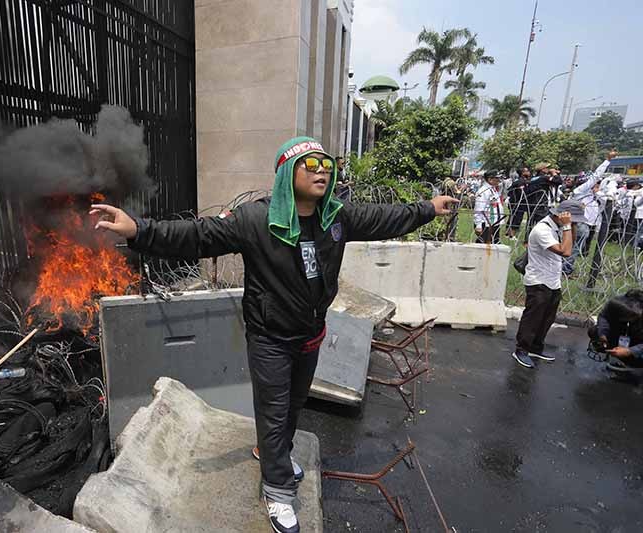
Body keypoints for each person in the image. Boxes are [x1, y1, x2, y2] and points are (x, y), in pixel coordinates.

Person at [89, 136, 456, 533]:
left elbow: (388, 216)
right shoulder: (255, 220)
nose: (322, 172)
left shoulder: (336, 216)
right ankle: (278, 489)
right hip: (270, 338)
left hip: (311, 333)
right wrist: (138, 230)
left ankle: (270, 450)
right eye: (311, 165)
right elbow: (198, 236)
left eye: (327, 166)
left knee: (295, 404)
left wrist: (427, 209)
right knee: (275, 408)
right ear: (287, 173)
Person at [512, 199, 586, 369]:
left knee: (547, 317)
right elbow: (566, 251)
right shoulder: (542, 230)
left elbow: (571, 243)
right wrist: (567, 225)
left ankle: (536, 347)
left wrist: (570, 225)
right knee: (533, 317)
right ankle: (521, 350)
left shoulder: (557, 227)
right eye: (573, 220)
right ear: (561, 215)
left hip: (552, 280)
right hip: (538, 280)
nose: (574, 224)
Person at [561, 154, 614, 277]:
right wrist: (607, 161)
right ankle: (566, 269)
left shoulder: (589, 194)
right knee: (574, 247)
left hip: (583, 223)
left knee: (574, 246)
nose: (596, 184)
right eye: (593, 183)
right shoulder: (581, 190)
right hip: (579, 223)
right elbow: (595, 176)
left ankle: (565, 267)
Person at [588, 290, 643, 373]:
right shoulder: (616, 305)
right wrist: (603, 334)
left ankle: (634, 361)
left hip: (639, 342)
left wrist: (630, 351)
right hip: (627, 336)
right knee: (594, 331)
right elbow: (604, 316)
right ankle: (619, 355)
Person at [524, 162, 563, 241]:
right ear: (542, 169)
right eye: (547, 168)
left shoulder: (534, 178)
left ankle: (527, 240)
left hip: (533, 204)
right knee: (542, 225)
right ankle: (538, 240)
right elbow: (558, 181)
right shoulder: (543, 178)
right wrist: (554, 173)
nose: (549, 169)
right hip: (541, 205)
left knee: (530, 223)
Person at [473, 170, 505, 244]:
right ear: (490, 179)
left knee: (493, 243)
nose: (499, 180)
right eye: (497, 178)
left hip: (494, 222)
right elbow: (479, 208)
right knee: (484, 245)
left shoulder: (493, 189)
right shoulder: (484, 191)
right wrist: (478, 224)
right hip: (486, 223)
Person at [506, 167, 531, 240]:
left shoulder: (522, 181)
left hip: (517, 203)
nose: (529, 172)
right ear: (523, 173)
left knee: (513, 217)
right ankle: (511, 235)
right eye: (527, 171)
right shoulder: (520, 181)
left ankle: (508, 233)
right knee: (516, 218)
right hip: (517, 203)